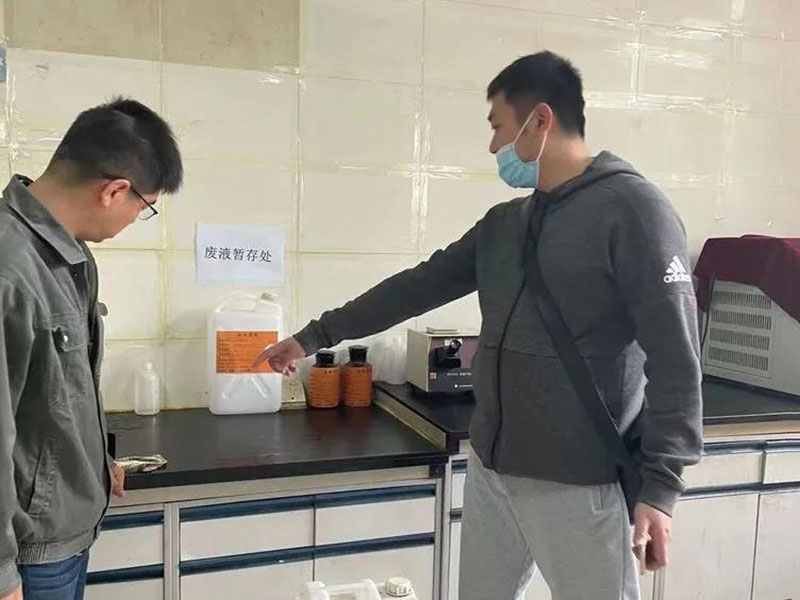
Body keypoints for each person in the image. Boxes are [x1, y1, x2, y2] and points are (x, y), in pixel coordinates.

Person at [256, 51, 702, 599]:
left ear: (540, 120)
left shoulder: (633, 211)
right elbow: (416, 286)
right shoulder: (505, 225)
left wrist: (661, 488)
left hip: (577, 482)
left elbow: (677, 360)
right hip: (492, 472)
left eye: (498, 127)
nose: (493, 147)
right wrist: (312, 337)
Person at [0, 98, 183, 600]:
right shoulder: (10, 270)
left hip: (64, 535)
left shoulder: (70, 254)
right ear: (115, 190)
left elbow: (59, 387)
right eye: (144, 207)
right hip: (28, 554)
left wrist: (96, 461)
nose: (136, 217)